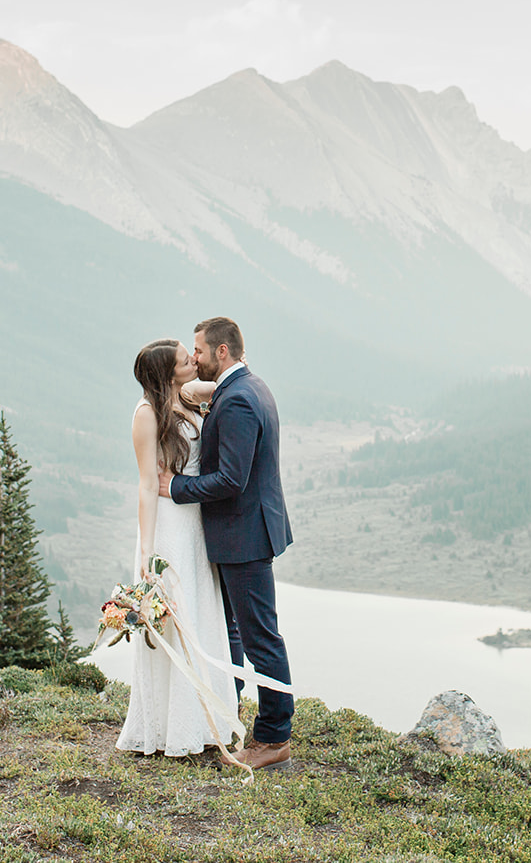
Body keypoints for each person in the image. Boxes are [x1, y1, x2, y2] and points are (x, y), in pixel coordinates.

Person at [160, 316, 295, 772]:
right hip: (245, 532)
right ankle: (230, 709)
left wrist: (176, 487)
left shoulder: (236, 400)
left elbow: (231, 480)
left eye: (198, 350)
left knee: (260, 636)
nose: (193, 358)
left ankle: (273, 737)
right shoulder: (246, 387)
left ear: (221, 352)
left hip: (244, 535)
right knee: (238, 630)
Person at [117, 338, 235, 757]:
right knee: (175, 624)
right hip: (167, 527)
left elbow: (229, 381)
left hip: (194, 525)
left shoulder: (186, 395)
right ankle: (171, 729)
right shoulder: (147, 415)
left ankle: (205, 722)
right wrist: (148, 554)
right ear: (168, 373)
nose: (194, 360)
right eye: (186, 359)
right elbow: (148, 484)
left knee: (200, 616)